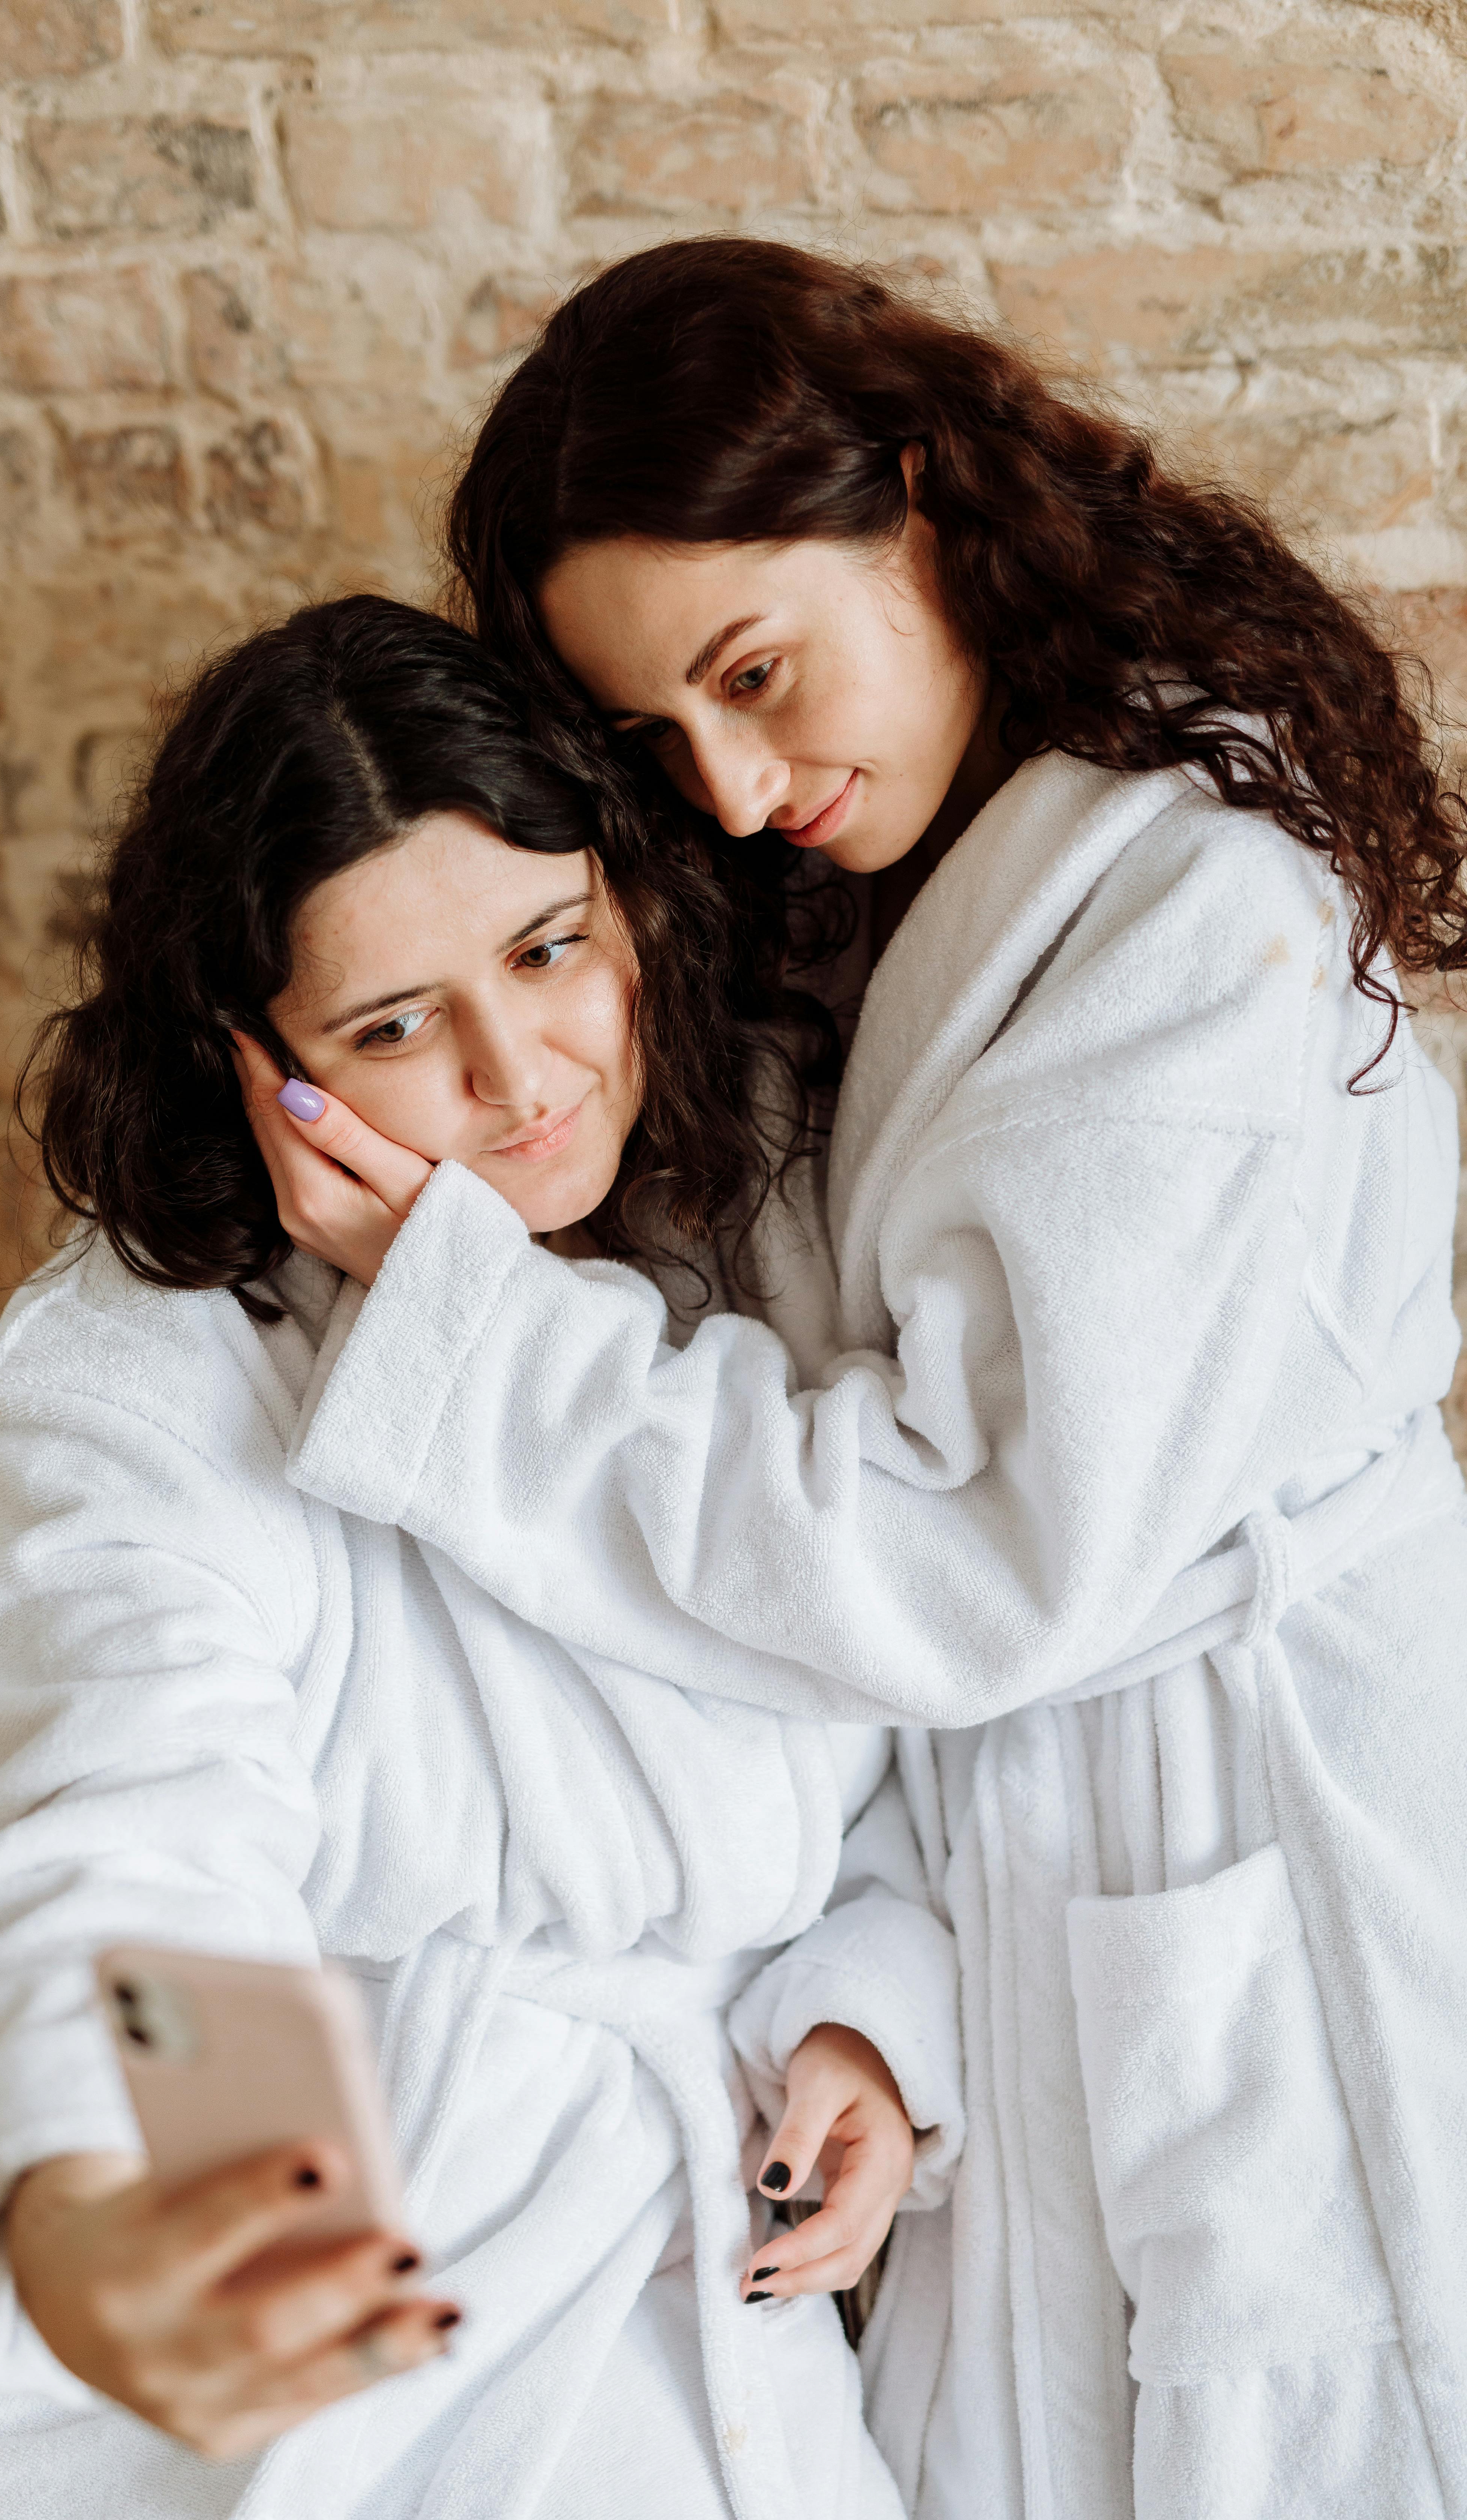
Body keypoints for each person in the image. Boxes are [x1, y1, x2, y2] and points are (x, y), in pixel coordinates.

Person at [240, 242, 1467, 2520]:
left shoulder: (1189, 911)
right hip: (1033, 1856)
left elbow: (970, 1547)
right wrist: (882, 2014)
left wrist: (473, 1339)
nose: (725, 782)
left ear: (918, 501)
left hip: (1245, 1811)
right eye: (652, 743)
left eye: (754, 671)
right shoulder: (899, 886)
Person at [0, 594, 953, 2520]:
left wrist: (863, 2012)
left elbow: (870, 1714)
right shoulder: (133, 1388)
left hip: (669, 2283)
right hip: (299, 2319)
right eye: (395, 1027)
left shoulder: (731, 1257)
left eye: (550, 948)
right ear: (252, 1061)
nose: (519, 1076)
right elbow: (131, 1827)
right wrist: (144, 2198)